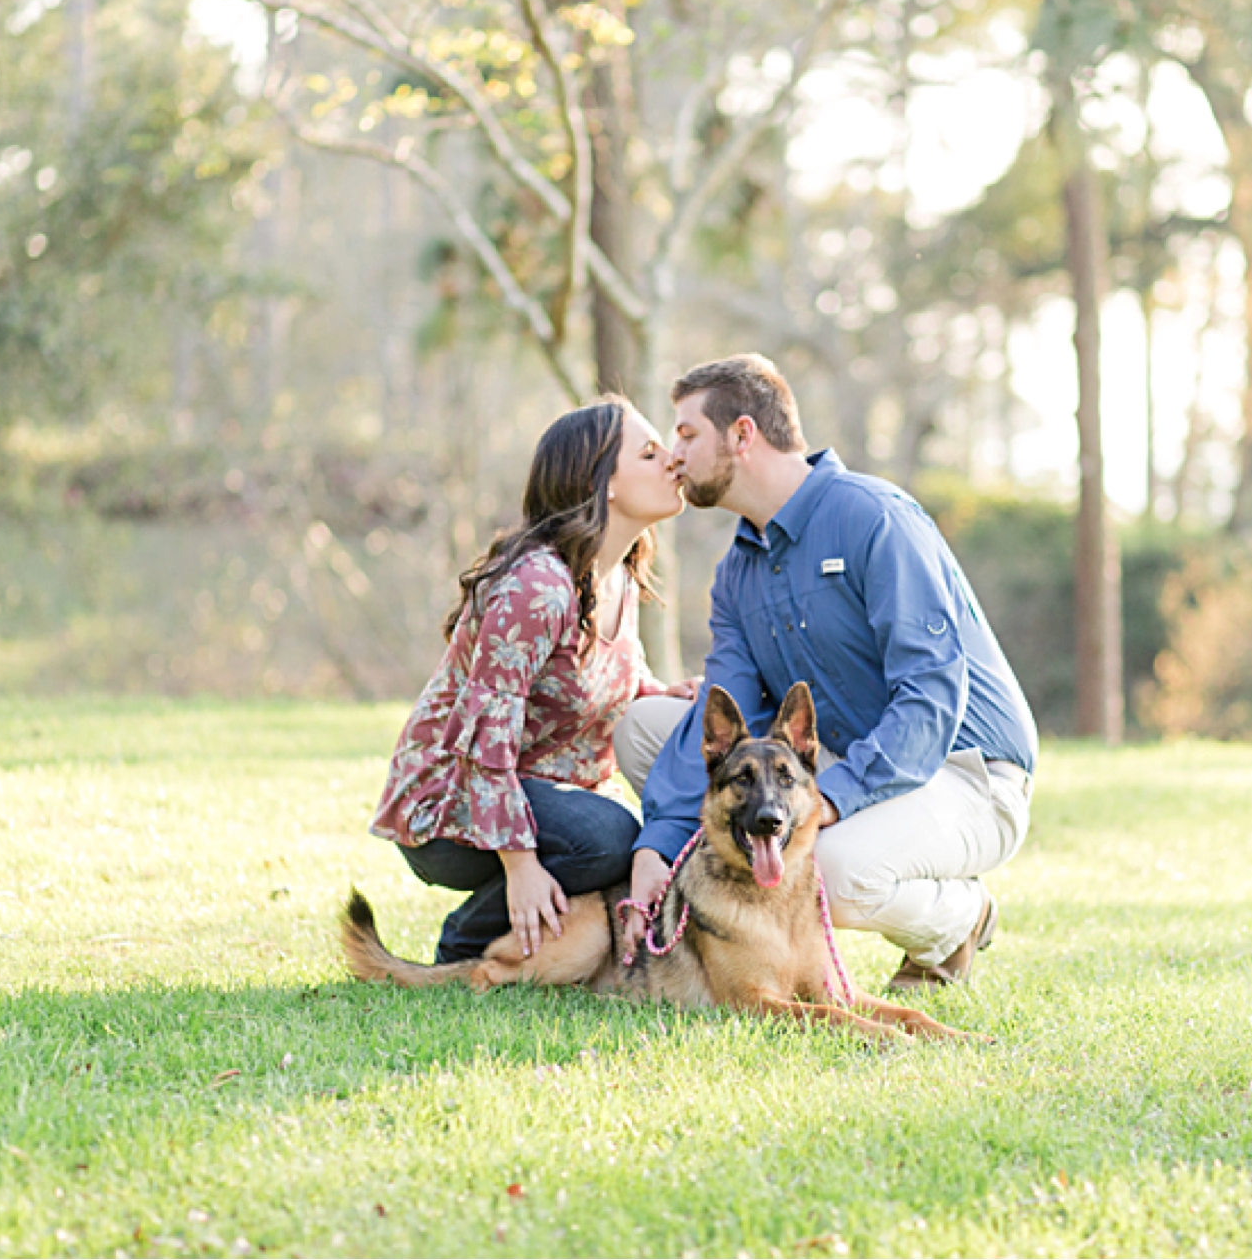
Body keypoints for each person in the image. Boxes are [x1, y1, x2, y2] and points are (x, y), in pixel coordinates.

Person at [614, 355, 1038, 989]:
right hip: (841, 759)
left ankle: (961, 919)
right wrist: (657, 844)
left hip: (968, 771)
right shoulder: (736, 573)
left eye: (686, 433)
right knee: (645, 726)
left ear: (743, 434)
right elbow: (726, 726)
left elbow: (929, 700)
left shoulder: (874, 518)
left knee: (827, 872)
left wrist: (831, 801)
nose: (674, 455)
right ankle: (726, 924)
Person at [370, 397, 696, 963]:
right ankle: (467, 944)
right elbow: (483, 738)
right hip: (450, 802)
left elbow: (605, 673)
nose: (673, 460)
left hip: (530, 793)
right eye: (649, 453)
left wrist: (658, 692)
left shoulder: (617, 571)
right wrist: (520, 865)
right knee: (609, 839)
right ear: (604, 485)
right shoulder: (537, 588)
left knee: (617, 833)